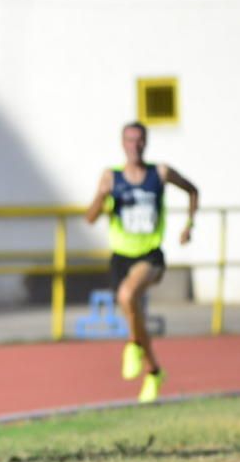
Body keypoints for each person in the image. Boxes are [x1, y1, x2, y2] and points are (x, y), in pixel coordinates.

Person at [85, 121, 199, 403]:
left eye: (139, 140)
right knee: (134, 315)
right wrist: (101, 196)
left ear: (145, 143)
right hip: (120, 258)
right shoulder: (111, 177)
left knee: (127, 295)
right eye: (129, 140)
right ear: (122, 143)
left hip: (150, 255)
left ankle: (134, 344)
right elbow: (89, 218)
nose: (134, 145)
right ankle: (154, 371)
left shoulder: (159, 173)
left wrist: (188, 226)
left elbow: (192, 191)